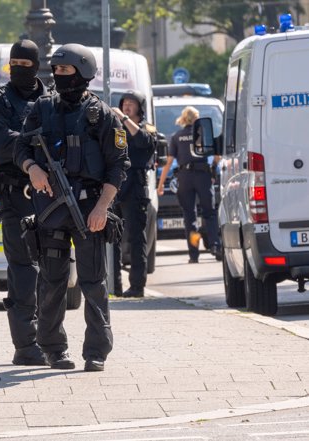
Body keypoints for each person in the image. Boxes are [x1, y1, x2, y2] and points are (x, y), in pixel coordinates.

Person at [14, 43, 128, 371]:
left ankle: (96, 351)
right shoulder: (42, 108)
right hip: (51, 207)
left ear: (83, 72)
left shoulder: (103, 115)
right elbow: (22, 146)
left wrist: (102, 208)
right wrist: (32, 169)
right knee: (52, 281)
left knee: (93, 281)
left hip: (89, 208)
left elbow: (119, 164)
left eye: (65, 71)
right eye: (57, 70)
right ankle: (53, 348)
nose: (58, 76)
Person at [0, 39, 50, 367]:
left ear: (37, 66)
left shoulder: (51, 99)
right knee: (23, 271)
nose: (19, 69)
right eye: (14, 64)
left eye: (26, 64)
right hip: (15, 194)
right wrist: (37, 146)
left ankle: (51, 339)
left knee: (54, 269)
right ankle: (26, 345)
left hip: (50, 193)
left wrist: (29, 144)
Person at [157, 106, 221, 263]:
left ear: (183, 119)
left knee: (190, 217)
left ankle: (194, 254)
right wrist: (212, 171)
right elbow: (217, 156)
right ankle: (215, 246)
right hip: (203, 177)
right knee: (209, 213)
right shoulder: (203, 133)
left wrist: (160, 184)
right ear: (197, 118)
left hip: (184, 178)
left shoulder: (177, 136)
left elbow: (169, 162)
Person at [111, 90, 157, 298]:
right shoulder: (117, 127)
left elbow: (144, 142)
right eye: (124, 103)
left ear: (139, 107)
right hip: (115, 186)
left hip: (135, 189)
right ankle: (114, 285)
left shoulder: (145, 128)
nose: (127, 106)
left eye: (131, 103)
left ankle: (137, 286)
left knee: (136, 239)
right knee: (112, 239)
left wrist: (124, 118)